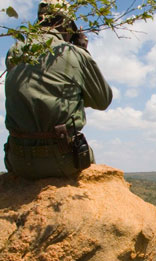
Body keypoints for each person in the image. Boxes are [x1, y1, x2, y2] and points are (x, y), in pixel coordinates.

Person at [3, 0, 112, 179]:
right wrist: (83, 51)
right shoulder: (74, 53)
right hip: (63, 160)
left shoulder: (15, 51)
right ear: (67, 25)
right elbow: (102, 101)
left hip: (18, 161)